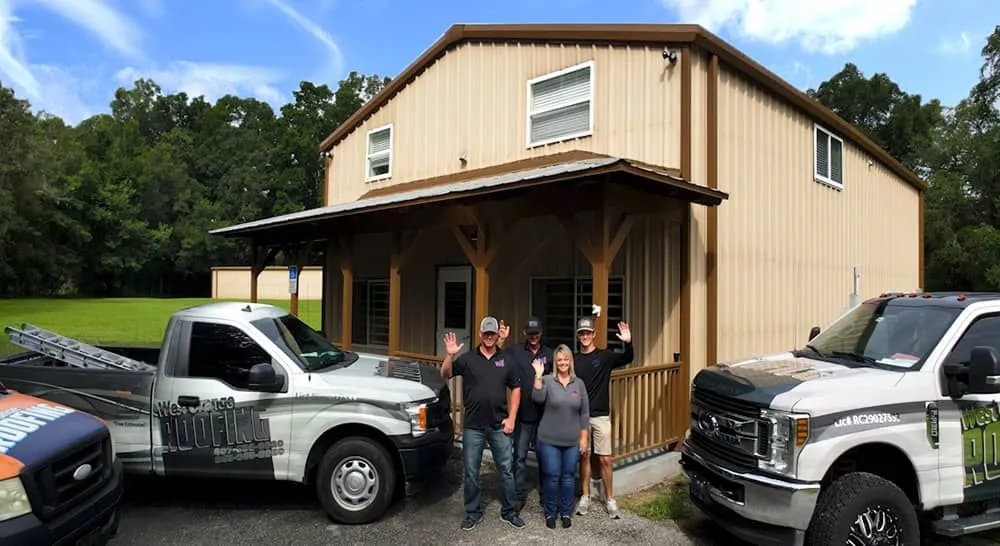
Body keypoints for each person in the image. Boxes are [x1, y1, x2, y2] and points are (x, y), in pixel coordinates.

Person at [440, 316, 525, 531]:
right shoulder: (467, 359)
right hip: (473, 426)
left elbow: (516, 388)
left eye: (492, 333)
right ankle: (473, 512)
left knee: (506, 469)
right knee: (471, 471)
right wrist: (450, 356)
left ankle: (509, 511)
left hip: (499, 425)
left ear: (498, 335)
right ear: (480, 334)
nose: (489, 337)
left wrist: (512, 418)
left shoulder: (506, 359)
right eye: (486, 333)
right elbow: (445, 374)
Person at [572, 316, 633, 519]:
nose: (585, 336)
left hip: (601, 416)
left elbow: (627, 359)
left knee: (605, 458)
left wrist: (628, 342)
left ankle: (609, 498)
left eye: (588, 333)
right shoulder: (573, 360)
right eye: (582, 333)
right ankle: (586, 495)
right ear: (578, 336)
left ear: (594, 335)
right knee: (584, 456)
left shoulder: (605, 357)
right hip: (580, 416)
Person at [530, 344, 589, 529]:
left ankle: (565, 512)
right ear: (555, 362)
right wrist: (538, 375)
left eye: (566, 359)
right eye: (559, 360)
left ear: (570, 361)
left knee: (568, 477)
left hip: (572, 440)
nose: (563, 362)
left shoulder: (578, 383)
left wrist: (584, 438)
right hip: (549, 439)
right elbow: (537, 398)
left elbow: (584, 413)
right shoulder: (547, 380)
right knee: (552, 476)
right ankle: (550, 512)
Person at [506, 316, 554, 512]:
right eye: (530, 333)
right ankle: (518, 496)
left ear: (541, 333)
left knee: (545, 457)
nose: (533, 336)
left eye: (537, 333)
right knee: (519, 456)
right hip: (523, 416)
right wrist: (500, 340)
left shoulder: (549, 354)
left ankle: (546, 495)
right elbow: (497, 358)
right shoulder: (515, 352)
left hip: (544, 415)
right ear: (524, 333)